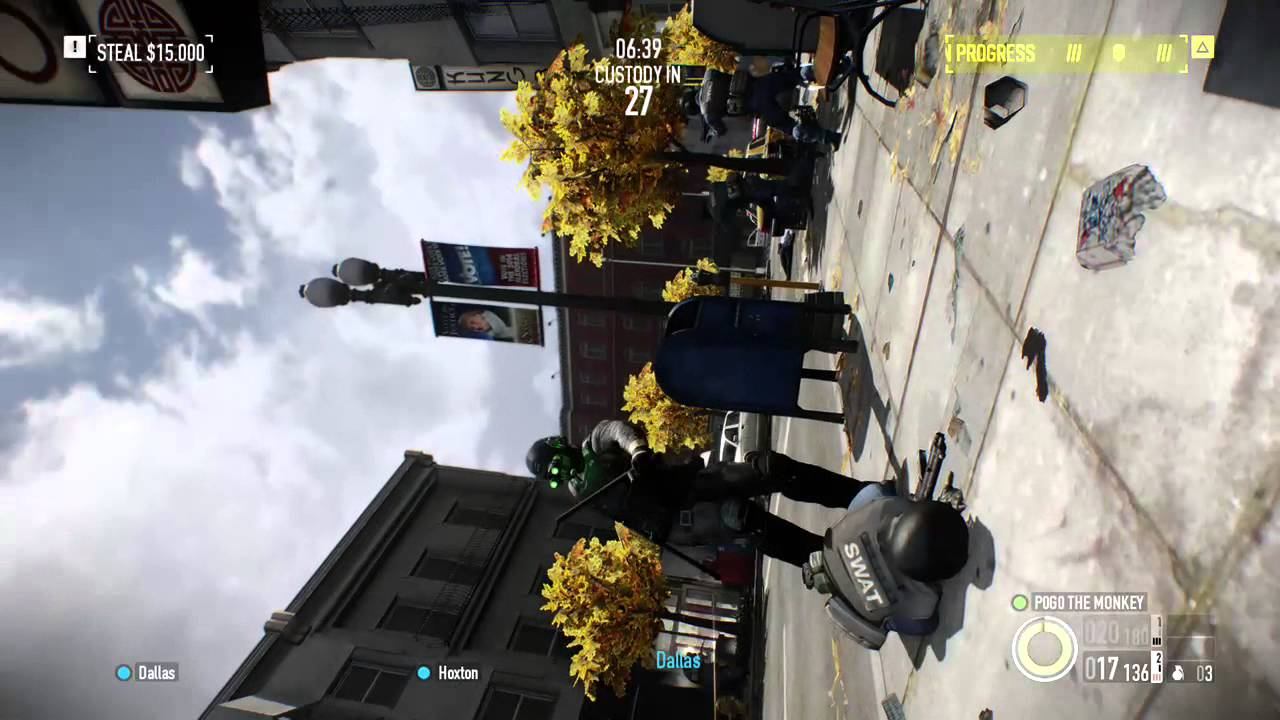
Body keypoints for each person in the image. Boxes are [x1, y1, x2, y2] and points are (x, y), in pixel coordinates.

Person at [525, 419, 896, 567]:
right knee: (744, 521)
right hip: (678, 522)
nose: (559, 474)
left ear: (559, 446)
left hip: (686, 483)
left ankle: (860, 495)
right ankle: (838, 565)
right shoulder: (578, 491)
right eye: (551, 477)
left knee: (770, 471)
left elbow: (618, 431)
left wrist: (637, 452)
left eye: (554, 466)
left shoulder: (594, 442)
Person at [683, 56, 851, 149]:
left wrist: (710, 131)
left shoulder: (707, 113)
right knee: (797, 75)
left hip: (759, 108)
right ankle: (841, 67)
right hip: (761, 84)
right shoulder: (709, 75)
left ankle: (829, 137)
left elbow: (721, 130)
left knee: (791, 128)